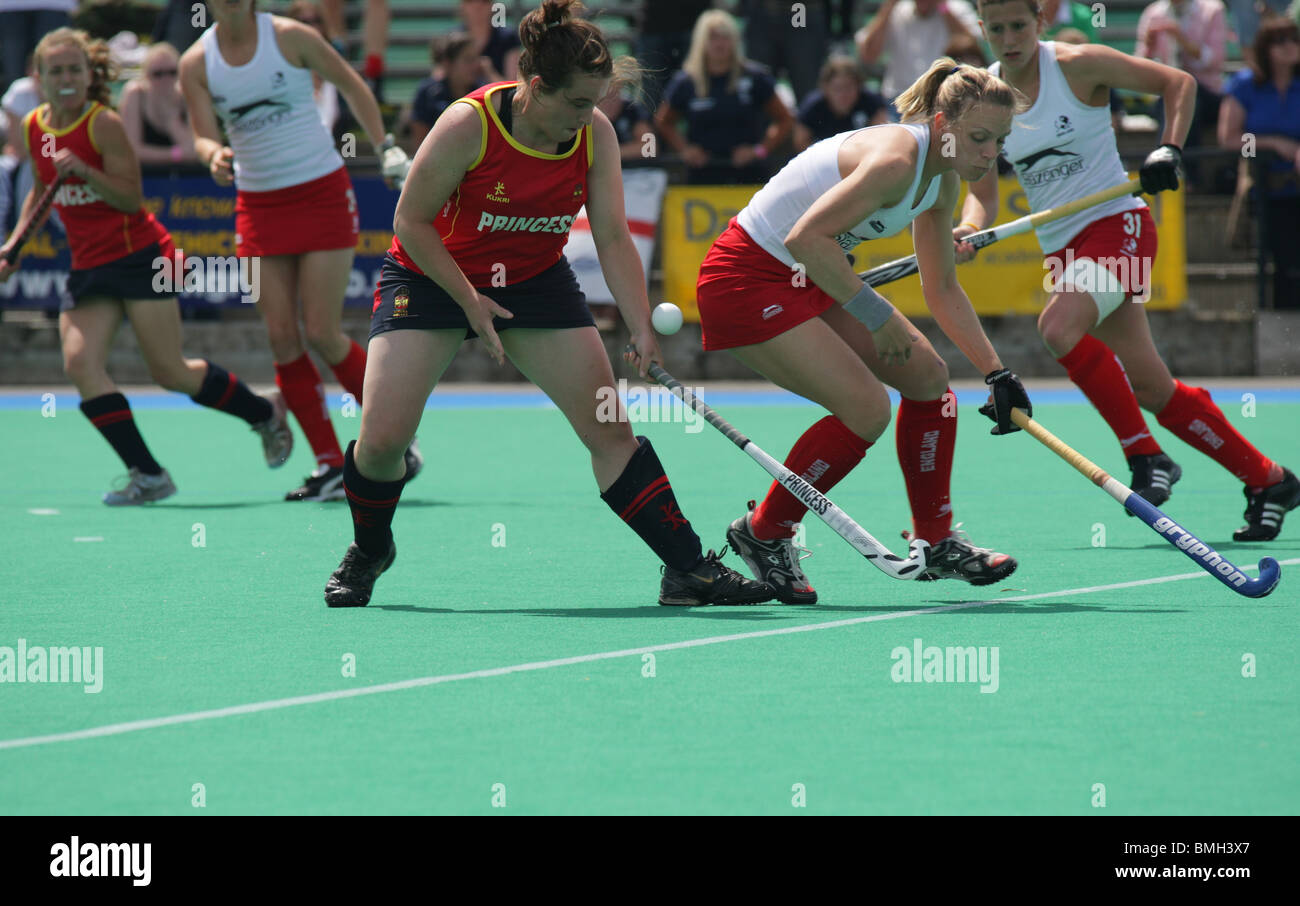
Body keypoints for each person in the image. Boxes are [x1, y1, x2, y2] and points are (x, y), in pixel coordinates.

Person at [322, 0, 773, 609]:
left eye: (597, 103)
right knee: (380, 441)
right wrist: (468, 300)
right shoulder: (468, 125)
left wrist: (640, 324)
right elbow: (412, 220)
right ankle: (370, 548)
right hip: (432, 276)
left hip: (535, 280)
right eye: (579, 103)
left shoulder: (596, 135)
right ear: (535, 87)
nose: (590, 116)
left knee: (611, 429)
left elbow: (612, 235)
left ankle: (688, 570)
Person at [695, 58, 1033, 604]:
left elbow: (941, 285)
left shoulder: (943, 178)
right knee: (867, 408)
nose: (991, 154)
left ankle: (937, 538)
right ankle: (764, 532)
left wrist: (997, 370)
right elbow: (807, 238)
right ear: (943, 126)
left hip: (809, 277)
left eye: (999, 141)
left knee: (928, 378)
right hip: (745, 280)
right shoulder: (898, 160)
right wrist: (882, 317)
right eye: (979, 138)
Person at [960, 0, 1298, 540]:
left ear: (1039, 22)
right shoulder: (986, 96)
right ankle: (1268, 478)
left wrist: (1169, 148)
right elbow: (981, 192)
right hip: (1064, 250)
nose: (1009, 37)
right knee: (1152, 387)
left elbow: (1179, 82)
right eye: (995, 28)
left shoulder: (1077, 64)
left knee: (1057, 328)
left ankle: (1145, 456)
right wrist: (968, 227)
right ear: (982, 29)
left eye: (1018, 25)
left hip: (1119, 227)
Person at [0, 28, 293, 505]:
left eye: (75, 69)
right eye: (56, 71)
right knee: (80, 364)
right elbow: (40, 188)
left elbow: (130, 197)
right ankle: (149, 473)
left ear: (90, 74)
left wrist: (86, 171)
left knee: (171, 372)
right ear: (39, 78)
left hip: (140, 256)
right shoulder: (35, 126)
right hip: (89, 265)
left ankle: (263, 413)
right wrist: (14, 246)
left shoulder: (103, 124)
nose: (67, 78)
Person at [180, 0, 416, 502]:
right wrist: (212, 154)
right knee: (283, 337)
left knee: (324, 333)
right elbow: (202, 135)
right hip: (258, 206)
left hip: (321, 193)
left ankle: (395, 441)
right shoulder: (196, 63)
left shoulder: (291, 37)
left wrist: (386, 145)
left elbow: (353, 84)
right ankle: (332, 464)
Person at [655, 9, 794, 185]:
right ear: (701, 42)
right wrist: (685, 150)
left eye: (725, 37)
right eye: (713, 38)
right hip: (703, 176)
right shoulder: (686, 81)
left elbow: (785, 119)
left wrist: (759, 150)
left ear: (735, 41)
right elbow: (663, 121)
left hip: (750, 175)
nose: (720, 44)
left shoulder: (755, 77)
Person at [1218, 15, 1300, 309]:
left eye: (1294, 38)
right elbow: (1231, 139)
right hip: (1268, 192)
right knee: (1285, 264)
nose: (1290, 46)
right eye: (1280, 41)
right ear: (1265, 48)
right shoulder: (1245, 85)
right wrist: (1272, 144)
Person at [1135, 0, 1227, 154]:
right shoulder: (1153, 13)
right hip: (1166, 95)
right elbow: (1140, 67)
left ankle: (1169, 162)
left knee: (1187, 94)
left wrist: (1183, 40)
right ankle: (1182, 169)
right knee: (1179, 100)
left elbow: (1215, 61)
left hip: (1207, 95)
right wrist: (1149, 48)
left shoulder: (1213, 9)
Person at [856, 0, 983, 110]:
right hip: (898, 101)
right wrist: (888, 6)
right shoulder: (896, 11)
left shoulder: (958, 8)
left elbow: (972, 49)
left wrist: (943, 9)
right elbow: (868, 55)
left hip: (945, 100)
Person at [118, 43, 197, 167]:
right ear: (146, 76)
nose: (166, 79)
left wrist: (172, 121)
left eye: (172, 72)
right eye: (158, 74)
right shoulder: (135, 94)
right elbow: (132, 151)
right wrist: (176, 155)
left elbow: (195, 151)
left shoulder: (186, 94)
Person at [406, 31, 484, 151]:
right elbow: (420, 144)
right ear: (448, 64)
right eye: (468, 59)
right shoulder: (427, 93)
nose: (476, 65)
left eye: (476, 58)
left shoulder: (483, 93)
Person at [794, 55, 889, 152]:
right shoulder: (812, 106)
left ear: (859, 87)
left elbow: (881, 136)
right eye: (837, 88)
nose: (843, 95)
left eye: (848, 87)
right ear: (825, 88)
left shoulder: (872, 102)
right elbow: (801, 141)